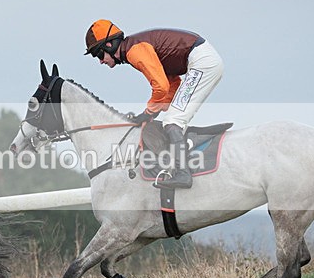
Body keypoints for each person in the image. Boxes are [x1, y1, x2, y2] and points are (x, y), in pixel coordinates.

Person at [84, 19, 224, 189]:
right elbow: (171, 84)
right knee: (173, 116)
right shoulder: (134, 48)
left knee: (173, 121)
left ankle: (183, 174)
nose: (100, 61)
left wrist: (148, 111)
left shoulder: (134, 51)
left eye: (98, 55)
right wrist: (151, 113)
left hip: (202, 63)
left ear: (109, 45)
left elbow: (160, 86)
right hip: (200, 60)